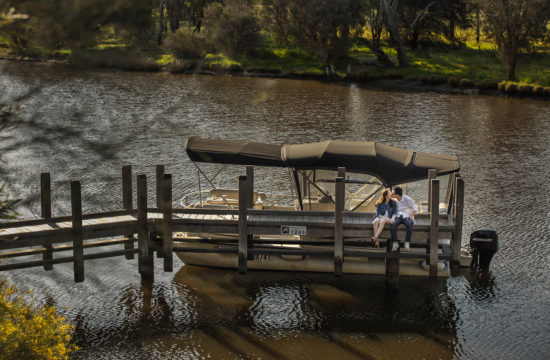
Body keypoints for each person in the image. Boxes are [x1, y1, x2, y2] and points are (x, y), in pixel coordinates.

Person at [390, 186, 418, 251]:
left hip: (406, 215)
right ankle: (395, 242)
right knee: (393, 224)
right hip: (398, 215)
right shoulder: (394, 199)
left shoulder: (408, 199)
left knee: (409, 224)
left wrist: (411, 216)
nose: (392, 195)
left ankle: (407, 242)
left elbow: (415, 209)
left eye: (393, 194)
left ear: (397, 195)